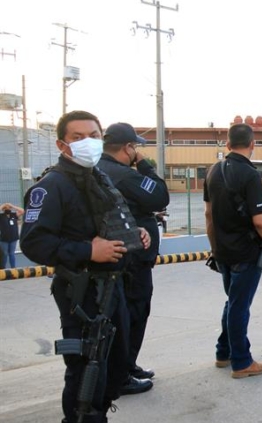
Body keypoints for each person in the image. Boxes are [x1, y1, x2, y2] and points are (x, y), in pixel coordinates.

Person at [20, 110, 151, 422]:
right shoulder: (51, 185)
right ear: (62, 145)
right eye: (77, 138)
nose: (87, 143)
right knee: (86, 372)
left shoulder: (97, 178)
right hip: (80, 292)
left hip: (111, 287)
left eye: (93, 136)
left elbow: (108, 222)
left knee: (114, 365)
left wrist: (135, 235)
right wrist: (88, 251)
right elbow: (33, 243)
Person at [204, 123, 262, 379]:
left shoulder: (213, 171)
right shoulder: (250, 175)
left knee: (233, 302)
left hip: (223, 252)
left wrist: (215, 248)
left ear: (227, 145)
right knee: (239, 306)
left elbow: (208, 215)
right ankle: (241, 362)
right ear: (252, 144)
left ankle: (223, 352)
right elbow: (259, 221)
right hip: (246, 253)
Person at [98, 122, 170, 394]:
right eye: (135, 147)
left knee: (123, 314)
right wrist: (145, 165)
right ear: (128, 148)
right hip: (133, 259)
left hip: (120, 257)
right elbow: (160, 196)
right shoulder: (124, 175)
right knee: (134, 313)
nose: (136, 151)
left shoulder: (101, 170)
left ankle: (126, 365)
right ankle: (122, 372)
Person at [0, 203, 23, 268]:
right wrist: (3, 206)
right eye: (6, 208)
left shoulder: (14, 215)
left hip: (13, 238)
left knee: (12, 254)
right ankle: (2, 269)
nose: (8, 209)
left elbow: (22, 211)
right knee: (4, 254)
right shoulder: (1, 216)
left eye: (9, 208)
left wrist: (12, 206)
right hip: (4, 239)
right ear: (3, 209)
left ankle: (13, 268)